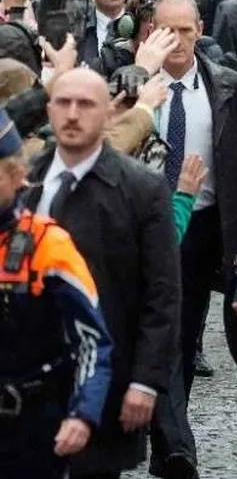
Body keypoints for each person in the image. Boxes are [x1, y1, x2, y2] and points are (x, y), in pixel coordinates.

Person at [27, 68, 181, 479]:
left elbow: (162, 293)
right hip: (28, 381)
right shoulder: (26, 181)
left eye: (86, 104)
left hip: (105, 375)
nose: (73, 114)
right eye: (63, 103)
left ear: (109, 114)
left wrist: (146, 381)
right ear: (48, 110)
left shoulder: (141, 188)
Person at [147, 0, 237, 398]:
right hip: (146, 223)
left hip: (202, 225)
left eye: (184, 30)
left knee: (186, 327)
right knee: (151, 324)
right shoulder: (133, 86)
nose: (177, 40)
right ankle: (165, 427)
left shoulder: (231, 88)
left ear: (200, 31)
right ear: (150, 33)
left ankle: (172, 425)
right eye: (167, 30)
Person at [0, 108, 114, 479]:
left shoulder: (48, 244)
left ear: (16, 174)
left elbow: (92, 343)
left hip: (27, 425)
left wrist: (83, 414)